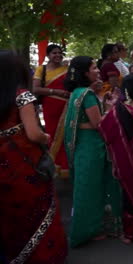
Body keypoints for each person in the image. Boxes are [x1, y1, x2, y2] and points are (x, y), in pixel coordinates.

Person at [0, 50, 67, 263]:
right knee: (38, 210)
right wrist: (45, 137)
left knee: (8, 214)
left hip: (2, 167)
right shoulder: (22, 95)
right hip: (25, 165)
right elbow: (33, 133)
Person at [64, 56, 123, 247]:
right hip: (91, 147)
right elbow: (99, 123)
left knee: (85, 188)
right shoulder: (87, 95)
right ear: (85, 73)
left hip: (83, 145)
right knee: (91, 189)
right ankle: (86, 231)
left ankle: (88, 229)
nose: (98, 70)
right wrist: (110, 107)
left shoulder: (77, 92)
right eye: (94, 68)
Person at [99, 74, 133, 244]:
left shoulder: (117, 110)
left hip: (127, 161)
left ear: (125, 90)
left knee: (130, 195)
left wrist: (108, 109)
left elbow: (104, 128)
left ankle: (130, 233)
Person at [32, 44, 70, 178]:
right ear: (48, 55)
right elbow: (35, 89)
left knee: (67, 136)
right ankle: (53, 167)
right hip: (51, 108)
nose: (58, 55)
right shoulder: (41, 70)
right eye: (54, 53)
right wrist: (55, 91)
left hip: (67, 107)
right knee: (53, 136)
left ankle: (66, 167)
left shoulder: (67, 69)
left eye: (60, 53)